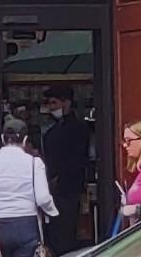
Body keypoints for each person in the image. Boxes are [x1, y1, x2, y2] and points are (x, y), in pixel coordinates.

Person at [0, 116, 59, 257]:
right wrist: (53, 212)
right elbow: (43, 198)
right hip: (25, 226)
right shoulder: (34, 163)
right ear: (25, 140)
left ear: (2, 139)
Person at [37, 90, 98, 245]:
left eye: (54, 103)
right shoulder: (54, 128)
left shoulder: (76, 129)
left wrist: (57, 178)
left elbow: (76, 158)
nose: (51, 107)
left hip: (67, 187)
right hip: (58, 185)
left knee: (65, 229)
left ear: (67, 103)